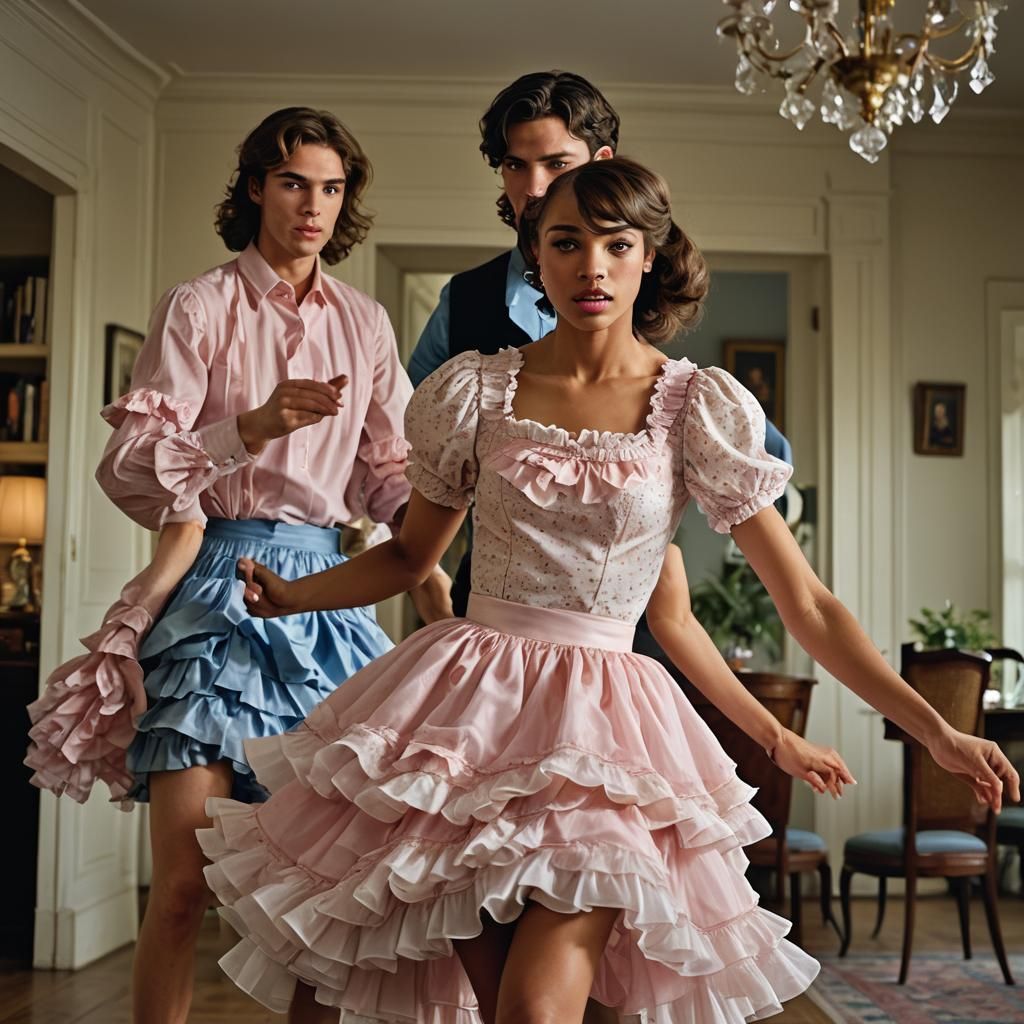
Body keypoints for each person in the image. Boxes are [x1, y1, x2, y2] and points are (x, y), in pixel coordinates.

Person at [200, 157, 1020, 1024]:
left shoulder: (696, 406)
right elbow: (408, 560)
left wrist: (935, 730)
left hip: (604, 736)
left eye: (615, 244)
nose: (591, 266)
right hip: (460, 725)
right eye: (566, 243)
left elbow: (806, 605)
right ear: (537, 259)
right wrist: (296, 595)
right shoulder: (474, 390)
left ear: (648, 257)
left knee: (534, 1009)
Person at [29, 106, 447, 1024]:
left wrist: (439, 568)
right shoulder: (200, 305)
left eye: (332, 188)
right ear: (256, 185)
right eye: (294, 182)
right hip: (212, 596)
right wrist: (249, 428)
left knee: (320, 895)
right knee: (181, 890)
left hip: (329, 603)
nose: (313, 207)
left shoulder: (368, 324)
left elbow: (388, 479)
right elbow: (131, 466)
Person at [408, 70, 791, 614]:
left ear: (602, 163)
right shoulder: (464, 303)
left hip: (627, 609)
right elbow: (416, 453)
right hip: (492, 609)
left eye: (557, 163)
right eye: (515, 165)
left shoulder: (644, 287)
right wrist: (428, 588)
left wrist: (652, 519)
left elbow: (763, 456)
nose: (534, 187)